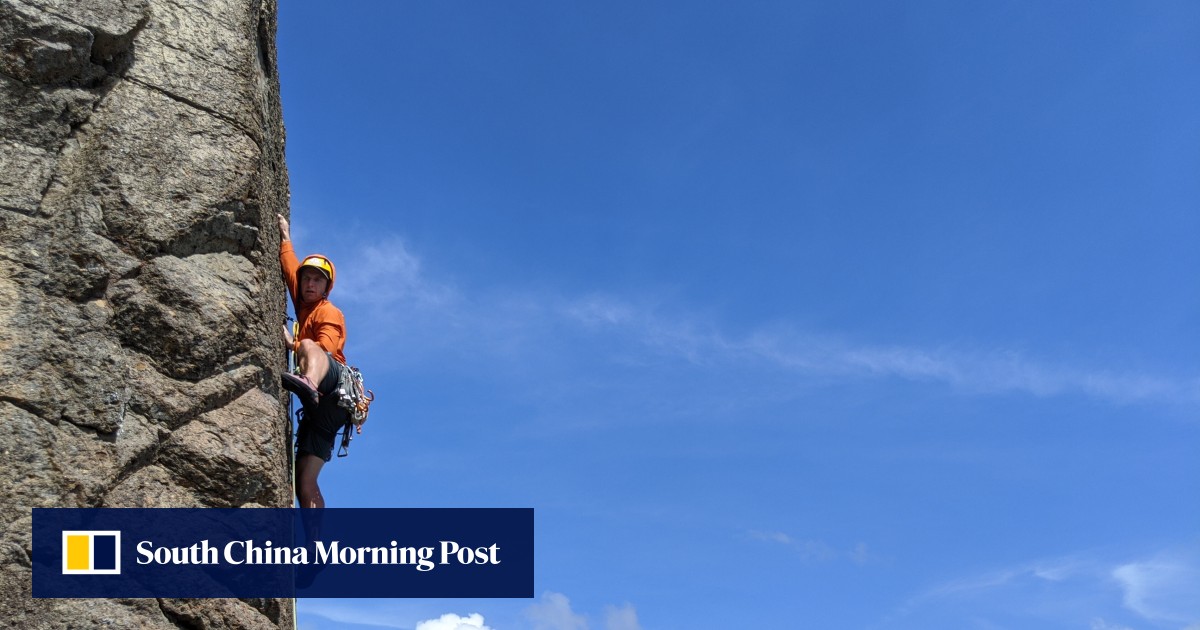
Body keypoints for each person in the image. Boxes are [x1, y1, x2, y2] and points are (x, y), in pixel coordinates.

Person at [277, 213, 360, 509]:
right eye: (307, 279)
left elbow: (324, 348)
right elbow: (290, 270)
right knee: (304, 481)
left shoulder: (329, 312)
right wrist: (285, 237)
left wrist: (295, 343)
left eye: (318, 281)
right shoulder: (303, 302)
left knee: (312, 345)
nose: (310, 284)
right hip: (324, 411)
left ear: (327, 288)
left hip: (333, 385)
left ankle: (307, 382)